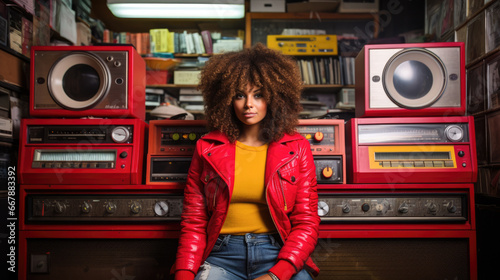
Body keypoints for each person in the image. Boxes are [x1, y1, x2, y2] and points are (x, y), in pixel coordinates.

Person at [173, 43, 320, 280]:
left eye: (258, 95)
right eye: (240, 95)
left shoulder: (296, 148)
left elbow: (306, 221)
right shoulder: (207, 148)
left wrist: (277, 274)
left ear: (274, 98)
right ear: (227, 99)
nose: (248, 104)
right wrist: (184, 273)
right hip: (221, 256)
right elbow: (194, 221)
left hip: (278, 252)